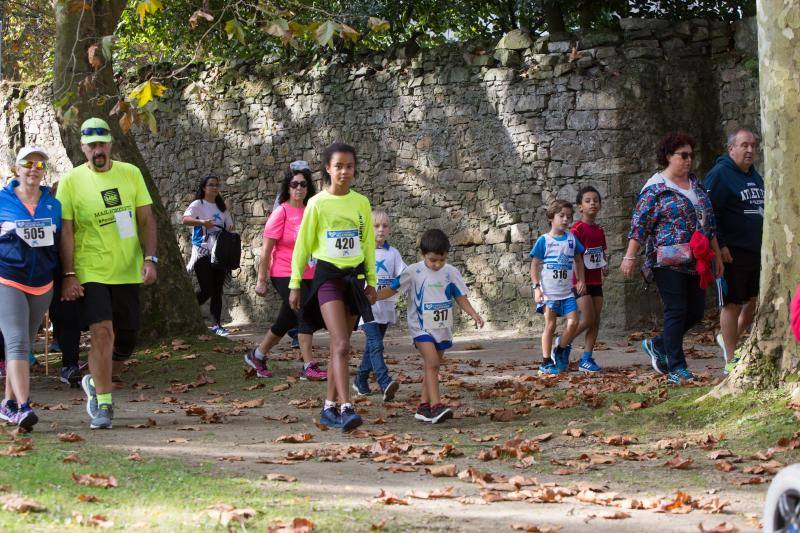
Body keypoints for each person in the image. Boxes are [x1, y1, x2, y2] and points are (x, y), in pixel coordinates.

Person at [58, 117, 157, 429]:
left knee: (127, 337)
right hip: (92, 269)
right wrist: (70, 273)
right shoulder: (71, 181)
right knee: (102, 332)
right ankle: (104, 404)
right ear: (83, 147)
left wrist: (150, 258)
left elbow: (146, 220)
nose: (97, 150)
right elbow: (67, 231)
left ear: (111, 144)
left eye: (102, 143)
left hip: (128, 269)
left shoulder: (130, 174)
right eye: (92, 145)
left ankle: (94, 378)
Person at [621, 131, 723, 385]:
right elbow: (639, 225)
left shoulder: (697, 186)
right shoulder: (655, 188)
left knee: (696, 313)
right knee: (676, 310)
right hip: (666, 261)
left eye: (691, 155)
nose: (689, 160)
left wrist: (717, 255)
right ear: (668, 156)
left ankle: (658, 344)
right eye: (683, 155)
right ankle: (677, 367)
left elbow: (708, 223)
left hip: (697, 260)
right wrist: (630, 256)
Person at [289, 143, 377, 432]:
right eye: (338, 166)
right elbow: (302, 246)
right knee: (340, 343)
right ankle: (347, 405)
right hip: (327, 277)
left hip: (354, 279)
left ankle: (329, 408)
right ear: (328, 168)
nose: (344, 171)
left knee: (341, 347)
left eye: (349, 166)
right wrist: (294, 284)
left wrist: (372, 281)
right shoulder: (317, 203)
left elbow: (367, 245)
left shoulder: (361, 202)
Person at [378, 229, 483, 424]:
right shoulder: (413, 271)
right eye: (433, 260)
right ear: (423, 255)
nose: (437, 264)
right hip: (420, 328)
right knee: (433, 363)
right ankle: (436, 406)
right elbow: (392, 288)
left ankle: (423, 407)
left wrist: (474, 314)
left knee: (431, 367)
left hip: (442, 328)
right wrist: (372, 297)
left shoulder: (451, 272)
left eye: (442, 260)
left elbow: (460, 296)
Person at [245, 161, 327, 381]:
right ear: (287, 187)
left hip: (309, 272)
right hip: (283, 273)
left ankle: (257, 355)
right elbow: (266, 251)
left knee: (287, 319)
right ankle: (309, 366)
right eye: (294, 184)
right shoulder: (281, 212)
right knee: (304, 315)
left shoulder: (313, 211)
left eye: (303, 184)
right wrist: (261, 280)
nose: (298, 188)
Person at [0, 146, 61, 431]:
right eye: (28, 163)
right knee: (16, 341)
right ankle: (24, 407)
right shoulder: (2, 199)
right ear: (17, 168)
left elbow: (59, 240)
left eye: (39, 165)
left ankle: (8, 404)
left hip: (41, 283)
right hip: (7, 278)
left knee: (25, 341)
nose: (34, 168)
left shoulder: (53, 204)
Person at [704, 129, 764, 374]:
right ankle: (730, 361)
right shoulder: (720, 174)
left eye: (753, 146)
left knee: (754, 300)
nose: (750, 150)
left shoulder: (754, 176)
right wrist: (722, 246)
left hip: (755, 250)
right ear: (731, 149)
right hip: (731, 252)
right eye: (744, 145)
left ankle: (730, 339)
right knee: (732, 303)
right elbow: (708, 213)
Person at [353, 210, 406, 400]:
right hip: (367, 308)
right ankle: (385, 382)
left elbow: (403, 275)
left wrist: (394, 287)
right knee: (376, 345)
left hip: (386, 307)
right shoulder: (362, 252)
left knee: (372, 346)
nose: (381, 230)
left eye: (385, 226)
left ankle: (360, 379)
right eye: (376, 226)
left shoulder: (393, 253)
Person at [530, 199, 586, 375]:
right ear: (551, 218)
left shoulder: (571, 239)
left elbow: (578, 259)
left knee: (574, 322)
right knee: (550, 325)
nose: (565, 220)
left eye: (568, 217)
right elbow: (534, 265)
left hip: (567, 292)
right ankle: (546, 362)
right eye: (561, 216)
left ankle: (561, 348)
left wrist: (581, 280)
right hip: (549, 294)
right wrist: (536, 287)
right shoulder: (544, 240)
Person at [182, 176, 235, 336]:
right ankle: (187, 312)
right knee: (207, 289)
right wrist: (203, 222)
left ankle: (216, 325)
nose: (214, 188)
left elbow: (228, 225)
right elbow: (185, 220)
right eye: (211, 185)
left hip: (219, 253)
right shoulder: (198, 204)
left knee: (217, 289)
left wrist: (230, 226)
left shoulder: (222, 207)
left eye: (216, 185)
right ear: (204, 188)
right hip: (202, 251)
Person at [48, 180, 86, 387]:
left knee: (70, 316)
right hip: (45, 272)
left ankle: (69, 365)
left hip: (71, 271)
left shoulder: (79, 209)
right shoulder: (47, 211)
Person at [570, 186, 607, 373]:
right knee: (587, 318)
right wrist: (579, 280)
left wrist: (604, 265)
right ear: (580, 207)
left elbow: (600, 251)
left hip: (596, 281)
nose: (592, 203)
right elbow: (575, 257)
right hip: (579, 281)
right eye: (587, 200)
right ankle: (562, 344)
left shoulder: (599, 229)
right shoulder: (576, 229)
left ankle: (586, 358)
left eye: (595, 200)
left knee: (596, 320)